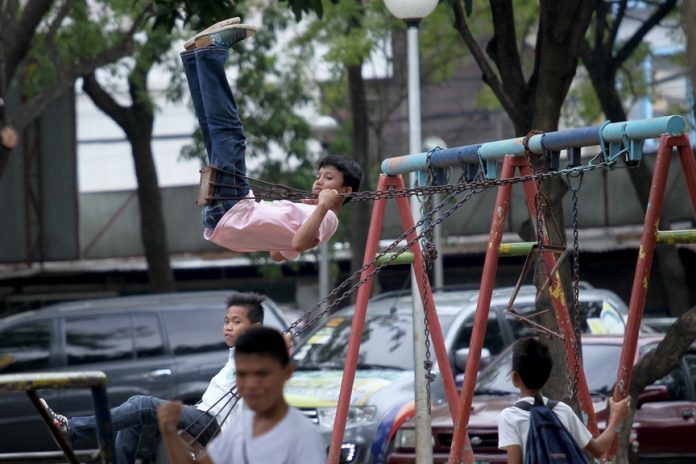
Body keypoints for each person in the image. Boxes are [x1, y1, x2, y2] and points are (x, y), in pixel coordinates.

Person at [181, 19, 363, 262]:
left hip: (234, 209)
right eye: (319, 176)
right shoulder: (315, 215)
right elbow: (279, 254)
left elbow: (298, 243)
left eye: (329, 178)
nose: (319, 182)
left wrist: (320, 209)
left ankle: (210, 53)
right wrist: (303, 213)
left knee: (230, 132)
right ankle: (196, 58)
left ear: (345, 191)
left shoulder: (328, 219)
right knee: (213, 132)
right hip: (222, 219)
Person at [40, 291, 268, 464]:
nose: (228, 327)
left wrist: (282, 338)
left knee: (142, 404)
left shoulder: (254, 352)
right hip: (203, 418)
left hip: (215, 427)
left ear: (255, 329)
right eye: (227, 321)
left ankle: (73, 430)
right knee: (134, 413)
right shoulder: (234, 355)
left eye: (237, 322)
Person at [158, 326, 326, 464]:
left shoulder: (302, 437)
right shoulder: (241, 428)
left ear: (287, 373)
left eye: (262, 374)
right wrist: (170, 433)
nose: (251, 385)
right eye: (242, 374)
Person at [498, 337, 631, 464]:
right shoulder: (562, 410)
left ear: (515, 378)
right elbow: (598, 450)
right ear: (547, 375)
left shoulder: (510, 416)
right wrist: (616, 419)